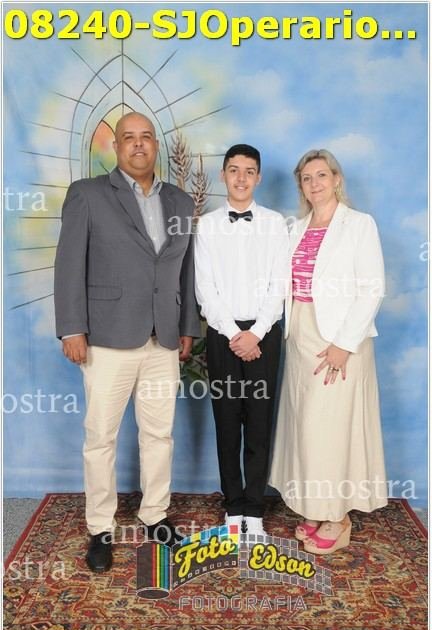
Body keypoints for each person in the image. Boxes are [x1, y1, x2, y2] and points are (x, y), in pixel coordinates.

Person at [54, 112, 200, 572]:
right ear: (116, 147)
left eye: (146, 137)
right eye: (128, 138)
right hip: (106, 338)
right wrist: (72, 328)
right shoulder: (88, 194)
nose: (138, 145)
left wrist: (187, 326)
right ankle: (100, 527)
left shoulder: (180, 201)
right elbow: (68, 264)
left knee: (159, 433)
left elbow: (186, 268)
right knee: (101, 437)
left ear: (156, 145)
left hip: (163, 339)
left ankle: (155, 514)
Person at [269, 149, 387, 554]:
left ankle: (338, 517)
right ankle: (316, 505)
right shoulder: (296, 228)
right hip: (300, 332)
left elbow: (371, 288)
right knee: (306, 426)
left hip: (340, 337)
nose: (314, 183)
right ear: (301, 186)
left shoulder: (359, 225)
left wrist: (343, 344)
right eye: (307, 178)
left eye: (322, 175)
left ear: (336, 179)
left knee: (333, 428)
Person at [195, 144, 289, 535]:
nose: (241, 178)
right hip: (223, 334)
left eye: (249, 171)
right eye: (234, 170)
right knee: (227, 420)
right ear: (223, 175)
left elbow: (279, 285)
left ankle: (255, 508)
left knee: (260, 422)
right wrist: (235, 334)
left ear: (259, 177)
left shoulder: (275, 223)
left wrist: (257, 333)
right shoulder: (207, 225)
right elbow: (205, 289)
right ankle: (233, 506)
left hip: (264, 334)